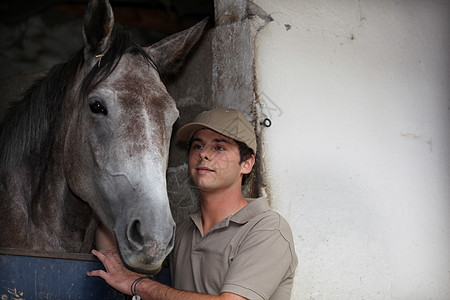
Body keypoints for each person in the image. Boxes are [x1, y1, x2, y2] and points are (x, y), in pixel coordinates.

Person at [88, 107, 298, 299]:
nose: (203, 154)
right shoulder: (182, 232)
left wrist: (139, 286)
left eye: (219, 147)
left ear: (246, 163)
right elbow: (117, 258)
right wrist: (106, 193)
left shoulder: (267, 229)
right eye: (198, 145)